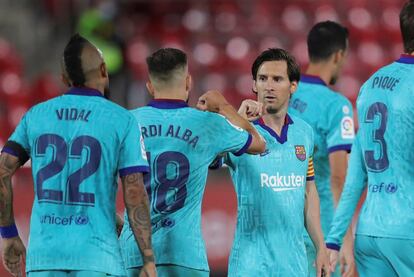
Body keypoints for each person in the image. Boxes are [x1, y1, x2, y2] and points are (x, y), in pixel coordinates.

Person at [0, 34, 156, 277]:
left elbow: (2, 171)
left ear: (64, 79)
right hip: (98, 259)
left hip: (44, 259)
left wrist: (8, 234)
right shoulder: (122, 120)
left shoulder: (36, 115)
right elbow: (134, 191)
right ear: (104, 69)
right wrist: (147, 258)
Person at [119, 48, 266, 277]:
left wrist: (120, 226)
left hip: (133, 255)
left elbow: (100, 184)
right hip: (186, 257)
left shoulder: (126, 122)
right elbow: (259, 143)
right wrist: (224, 107)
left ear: (149, 86)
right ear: (188, 82)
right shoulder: (207, 123)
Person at [221, 48, 330, 276]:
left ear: (293, 86)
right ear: (254, 85)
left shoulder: (304, 133)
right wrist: (236, 122)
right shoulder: (240, 133)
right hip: (249, 266)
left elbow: (308, 191)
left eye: (277, 79)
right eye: (262, 79)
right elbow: (209, 159)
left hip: (294, 266)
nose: (268, 86)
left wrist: (321, 247)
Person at [326, 2, 414, 276]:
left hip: (370, 231)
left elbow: (356, 174)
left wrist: (335, 238)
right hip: (408, 230)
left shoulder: (370, 85)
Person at [288, 21, 356, 277]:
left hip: (286, 226)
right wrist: (344, 241)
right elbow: (339, 179)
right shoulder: (337, 106)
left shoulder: (285, 94)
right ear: (339, 55)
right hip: (324, 229)